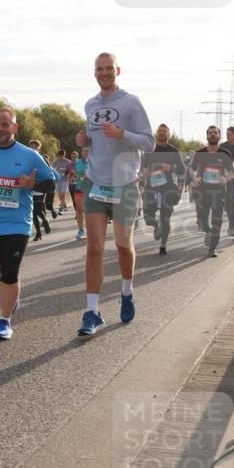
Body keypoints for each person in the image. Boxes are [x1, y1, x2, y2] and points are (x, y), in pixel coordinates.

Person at [75, 52, 154, 336]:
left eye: (109, 68)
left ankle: (126, 290)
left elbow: (150, 142)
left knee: (122, 245)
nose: (104, 72)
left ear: (117, 70)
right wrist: (82, 140)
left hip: (124, 185)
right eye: (99, 68)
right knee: (94, 248)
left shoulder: (131, 102)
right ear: (94, 72)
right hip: (96, 184)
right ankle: (92, 312)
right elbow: (92, 143)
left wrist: (123, 135)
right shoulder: (89, 104)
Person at [0, 108, 55, 339]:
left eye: (4, 124)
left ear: (14, 127)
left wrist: (32, 184)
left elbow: (50, 183)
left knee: (9, 272)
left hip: (18, 224)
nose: (0, 129)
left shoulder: (29, 155)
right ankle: (12, 292)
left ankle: (4, 320)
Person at [189, 126, 234, 256]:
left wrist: (226, 178)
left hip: (219, 192)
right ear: (207, 136)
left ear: (219, 136)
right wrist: (194, 178)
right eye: (210, 133)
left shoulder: (225, 154)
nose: (213, 135)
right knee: (202, 219)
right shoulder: (200, 153)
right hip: (202, 191)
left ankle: (213, 248)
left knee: (217, 220)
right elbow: (190, 169)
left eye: (215, 133)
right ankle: (207, 230)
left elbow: (233, 172)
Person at [141, 123, 185, 256]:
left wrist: (170, 168)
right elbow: (141, 168)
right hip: (151, 188)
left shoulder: (174, 151)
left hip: (168, 188)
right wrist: (144, 173)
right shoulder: (149, 149)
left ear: (168, 134)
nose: (162, 133)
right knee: (148, 217)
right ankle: (156, 226)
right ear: (156, 133)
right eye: (160, 131)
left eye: (164, 131)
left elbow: (182, 170)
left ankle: (163, 246)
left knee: (166, 217)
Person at [28, 140, 54, 241]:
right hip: (31, 187)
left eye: (34, 147)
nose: (32, 149)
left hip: (41, 187)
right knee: (33, 213)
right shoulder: (27, 159)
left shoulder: (42, 158)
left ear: (38, 148)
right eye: (31, 147)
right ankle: (38, 233)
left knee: (37, 210)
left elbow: (50, 172)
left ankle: (45, 220)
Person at [73, 147, 89, 240]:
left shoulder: (94, 161)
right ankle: (81, 230)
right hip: (79, 188)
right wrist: (74, 175)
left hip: (91, 189)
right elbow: (75, 174)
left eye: (87, 150)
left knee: (89, 210)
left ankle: (91, 229)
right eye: (83, 150)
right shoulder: (78, 162)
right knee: (79, 210)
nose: (85, 152)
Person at [52, 149, 73, 214]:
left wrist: (69, 174)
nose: (61, 157)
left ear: (64, 155)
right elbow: (52, 169)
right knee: (60, 195)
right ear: (58, 155)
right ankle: (63, 203)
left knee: (63, 194)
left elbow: (71, 170)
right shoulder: (55, 161)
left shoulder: (68, 162)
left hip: (65, 180)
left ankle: (61, 209)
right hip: (58, 180)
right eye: (60, 156)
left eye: (62, 155)